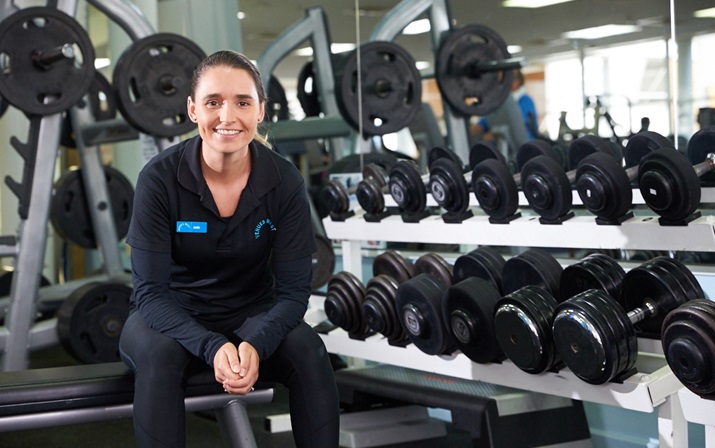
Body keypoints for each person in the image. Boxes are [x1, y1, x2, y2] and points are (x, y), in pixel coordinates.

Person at [119, 49, 340, 448]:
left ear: (260, 111)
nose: (227, 116)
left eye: (242, 102)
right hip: (169, 316)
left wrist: (256, 343)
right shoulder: (159, 179)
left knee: (309, 351)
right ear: (192, 110)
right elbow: (149, 293)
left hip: (251, 312)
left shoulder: (284, 180)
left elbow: (293, 292)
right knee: (160, 359)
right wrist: (212, 344)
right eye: (213, 102)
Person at [471, 69, 539, 141]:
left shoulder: (525, 100)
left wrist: (490, 135)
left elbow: (515, 123)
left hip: (525, 145)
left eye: (504, 80)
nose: (501, 83)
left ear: (517, 82)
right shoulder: (499, 102)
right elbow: (485, 121)